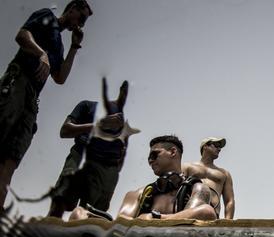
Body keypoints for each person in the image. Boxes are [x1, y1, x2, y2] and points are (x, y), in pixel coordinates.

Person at [0, 0, 93, 211]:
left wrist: (74, 46)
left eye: (84, 22)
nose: (81, 24)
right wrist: (40, 53)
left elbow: (60, 77)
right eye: (81, 18)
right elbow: (22, 35)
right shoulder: (47, 17)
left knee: (11, 159)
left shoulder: (59, 45)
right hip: (18, 81)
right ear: (72, 9)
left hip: (32, 99)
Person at [69, 135, 216, 221]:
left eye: (154, 155)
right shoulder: (139, 194)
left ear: (173, 152)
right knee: (79, 213)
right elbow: (122, 222)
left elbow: (194, 219)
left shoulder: (197, 188)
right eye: (148, 158)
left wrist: (154, 218)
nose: (150, 161)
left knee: (207, 210)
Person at [48, 79, 137, 218]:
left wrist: (111, 175)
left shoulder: (122, 125)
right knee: (59, 205)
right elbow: (64, 131)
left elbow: (122, 153)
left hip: (105, 170)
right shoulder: (87, 106)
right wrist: (99, 125)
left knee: (90, 216)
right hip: (81, 157)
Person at [183, 137, 235, 219]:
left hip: (213, 216)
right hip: (188, 214)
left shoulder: (224, 174)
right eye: (216, 145)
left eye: (220, 147)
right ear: (205, 146)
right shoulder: (187, 167)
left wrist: (227, 223)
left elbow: (229, 200)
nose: (219, 149)